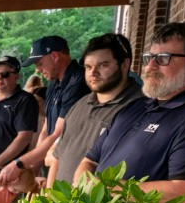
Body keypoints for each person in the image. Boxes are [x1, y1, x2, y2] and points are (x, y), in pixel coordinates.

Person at [77, 22, 185, 203]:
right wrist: (85, 191)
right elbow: (89, 160)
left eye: (164, 58)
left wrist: (103, 191)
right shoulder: (136, 107)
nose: (150, 66)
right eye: (149, 57)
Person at [47, 34, 142, 185]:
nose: (93, 72)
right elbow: (57, 158)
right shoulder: (79, 105)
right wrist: (48, 198)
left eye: (103, 65)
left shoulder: (142, 108)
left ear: (124, 65)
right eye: (88, 67)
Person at [0, 36, 89, 188]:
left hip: (74, 164)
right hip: (52, 161)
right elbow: (46, 131)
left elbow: (58, 134)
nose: (37, 70)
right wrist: (33, 168)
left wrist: (19, 164)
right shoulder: (53, 83)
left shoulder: (78, 81)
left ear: (54, 56)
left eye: (39, 63)